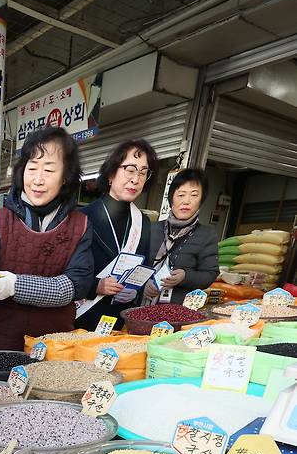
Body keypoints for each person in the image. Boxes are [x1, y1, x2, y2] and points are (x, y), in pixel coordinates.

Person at [0, 126, 94, 351]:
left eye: (49, 170)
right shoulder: (3, 219)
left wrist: (16, 285)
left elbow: (73, 286)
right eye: (32, 167)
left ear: (66, 177)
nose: (37, 179)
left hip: (54, 346)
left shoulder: (80, 225)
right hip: (0, 341)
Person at [76, 139, 159, 331]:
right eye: (130, 170)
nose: (136, 179)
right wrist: (95, 285)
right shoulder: (81, 217)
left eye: (143, 172)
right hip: (81, 318)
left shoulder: (143, 222)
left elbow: (143, 267)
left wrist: (136, 291)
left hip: (120, 322)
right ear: (111, 173)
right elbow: (62, 270)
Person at [145, 168, 219, 304]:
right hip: (141, 305)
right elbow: (134, 265)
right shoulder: (151, 229)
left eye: (194, 195)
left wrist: (185, 277)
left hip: (177, 309)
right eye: (181, 195)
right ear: (171, 197)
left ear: (201, 200)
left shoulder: (207, 235)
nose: (186, 201)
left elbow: (210, 274)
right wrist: (143, 285)